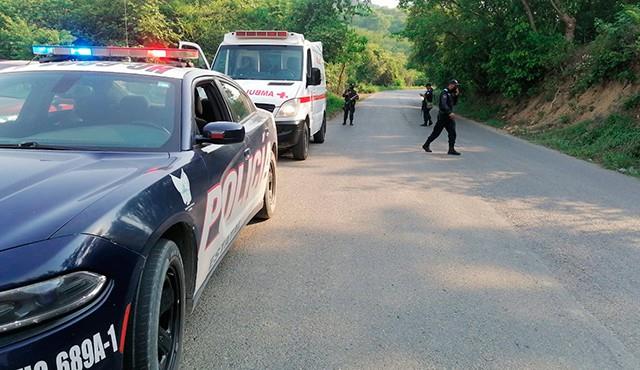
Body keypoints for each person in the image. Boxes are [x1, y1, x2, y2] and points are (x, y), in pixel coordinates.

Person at [422, 79, 461, 155]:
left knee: (453, 133)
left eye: (456, 86)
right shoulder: (444, 93)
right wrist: (449, 112)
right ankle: (426, 145)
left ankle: (451, 149)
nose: (456, 87)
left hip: (449, 118)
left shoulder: (450, 93)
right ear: (451, 85)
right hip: (443, 117)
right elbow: (443, 104)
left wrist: (456, 95)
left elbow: (454, 103)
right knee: (436, 133)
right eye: (455, 86)